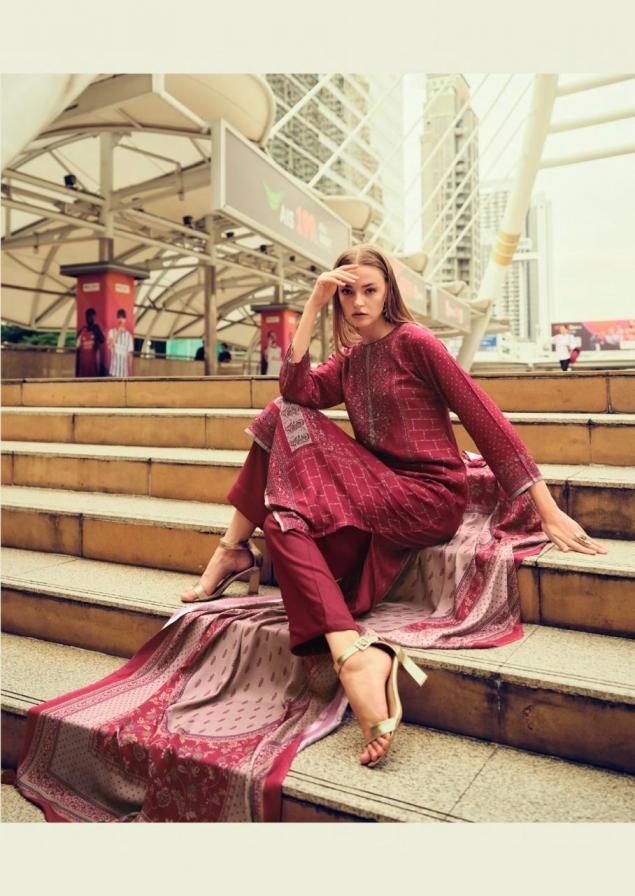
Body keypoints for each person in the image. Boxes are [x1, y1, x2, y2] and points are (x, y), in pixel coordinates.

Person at [180, 244, 606, 769]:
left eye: (370, 290)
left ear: (388, 293)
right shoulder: (350, 358)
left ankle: (237, 555)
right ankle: (348, 650)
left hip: (428, 496)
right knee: (283, 502)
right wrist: (312, 305)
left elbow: (483, 417)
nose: (358, 302)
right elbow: (295, 389)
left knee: (283, 454)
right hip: (376, 488)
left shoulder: (416, 343)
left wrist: (544, 505)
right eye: (347, 293)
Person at [75, 307, 105, 377]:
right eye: (87, 316)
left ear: (94, 317)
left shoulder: (96, 329)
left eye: (90, 316)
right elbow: (77, 348)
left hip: (94, 367)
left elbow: (102, 339)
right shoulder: (82, 331)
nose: (88, 318)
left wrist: (96, 330)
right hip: (83, 368)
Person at [107, 308, 134, 377]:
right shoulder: (111, 332)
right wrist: (118, 332)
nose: (121, 320)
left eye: (123, 317)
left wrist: (130, 374)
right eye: (119, 317)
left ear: (125, 320)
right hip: (113, 372)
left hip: (124, 374)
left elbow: (130, 356)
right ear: (117, 319)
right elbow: (109, 346)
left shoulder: (129, 336)